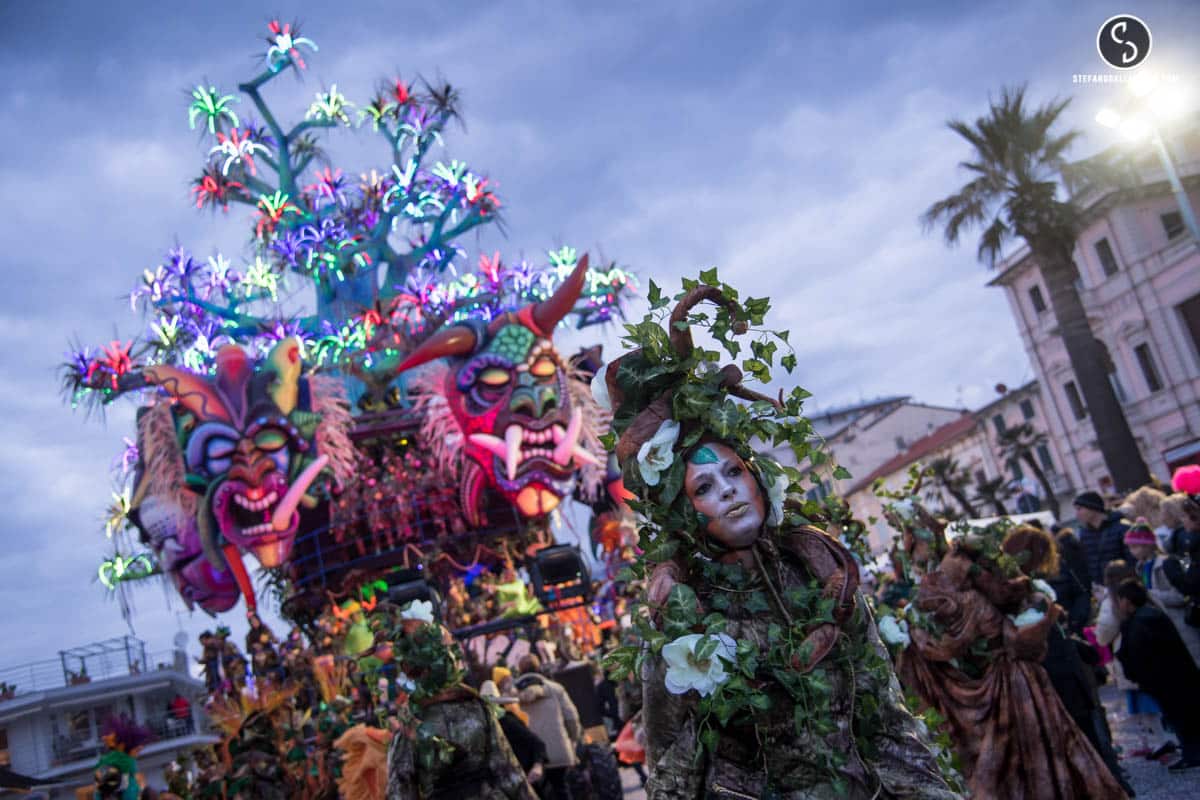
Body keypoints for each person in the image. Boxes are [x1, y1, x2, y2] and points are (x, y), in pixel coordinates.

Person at [600, 283, 954, 799]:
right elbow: (672, 762)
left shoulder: (821, 576)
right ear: (684, 511)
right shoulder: (681, 614)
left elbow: (887, 722)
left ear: (757, 478)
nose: (727, 491)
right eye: (703, 487)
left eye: (733, 473)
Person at [1001, 526, 1130, 795]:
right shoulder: (1020, 592)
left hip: (1059, 668)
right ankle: (1108, 784)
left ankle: (1107, 782)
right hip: (1057, 671)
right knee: (1086, 731)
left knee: (1086, 730)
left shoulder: (1022, 589)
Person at [1114, 578, 1200, 772]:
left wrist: (1137, 675)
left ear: (1127, 601)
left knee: (1181, 716)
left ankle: (1193, 753)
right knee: (1185, 714)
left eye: (1120, 600)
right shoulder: (1152, 615)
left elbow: (1139, 656)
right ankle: (1192, 751)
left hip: (1166, 679)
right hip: (1177, 675)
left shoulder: (1139, 622)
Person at [1125, 518, 1200, 667]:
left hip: (1180, 622)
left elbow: (1180, 596)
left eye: (1136, 547)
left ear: (1148, 545)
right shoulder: (1140, 568)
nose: (1132, 551)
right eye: (1130, 547)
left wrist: (1148, 594)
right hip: (1163, 627)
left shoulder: (1165, 563)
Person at [515, 654, 580, 800]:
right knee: (561, 788)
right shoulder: (556, 688)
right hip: (558, 751)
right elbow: (571, 718)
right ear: (539, 667)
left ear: (519, 670)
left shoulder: (511, 694)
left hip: (528, 757)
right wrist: (573, 741)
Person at [481, 679, 547, 788]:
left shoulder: (506, 721)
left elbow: (536, 742)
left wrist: (537, 765)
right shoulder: (489, 725)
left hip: (527, 775)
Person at [1073, 491, 1132, 588]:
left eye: (1079, 509)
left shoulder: (1122, 528)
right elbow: (1087, 564)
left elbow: (1132, 560)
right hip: (1103, 590)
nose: (1077, 514)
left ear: (1092, 507)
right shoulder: (1084, 535)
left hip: (1126, 586)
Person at [1053, 530, 1093, 635]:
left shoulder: (1064, 564)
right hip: (1076, 618)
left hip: (1072, 622)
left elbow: (1080, 592)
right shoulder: (1080, 553)